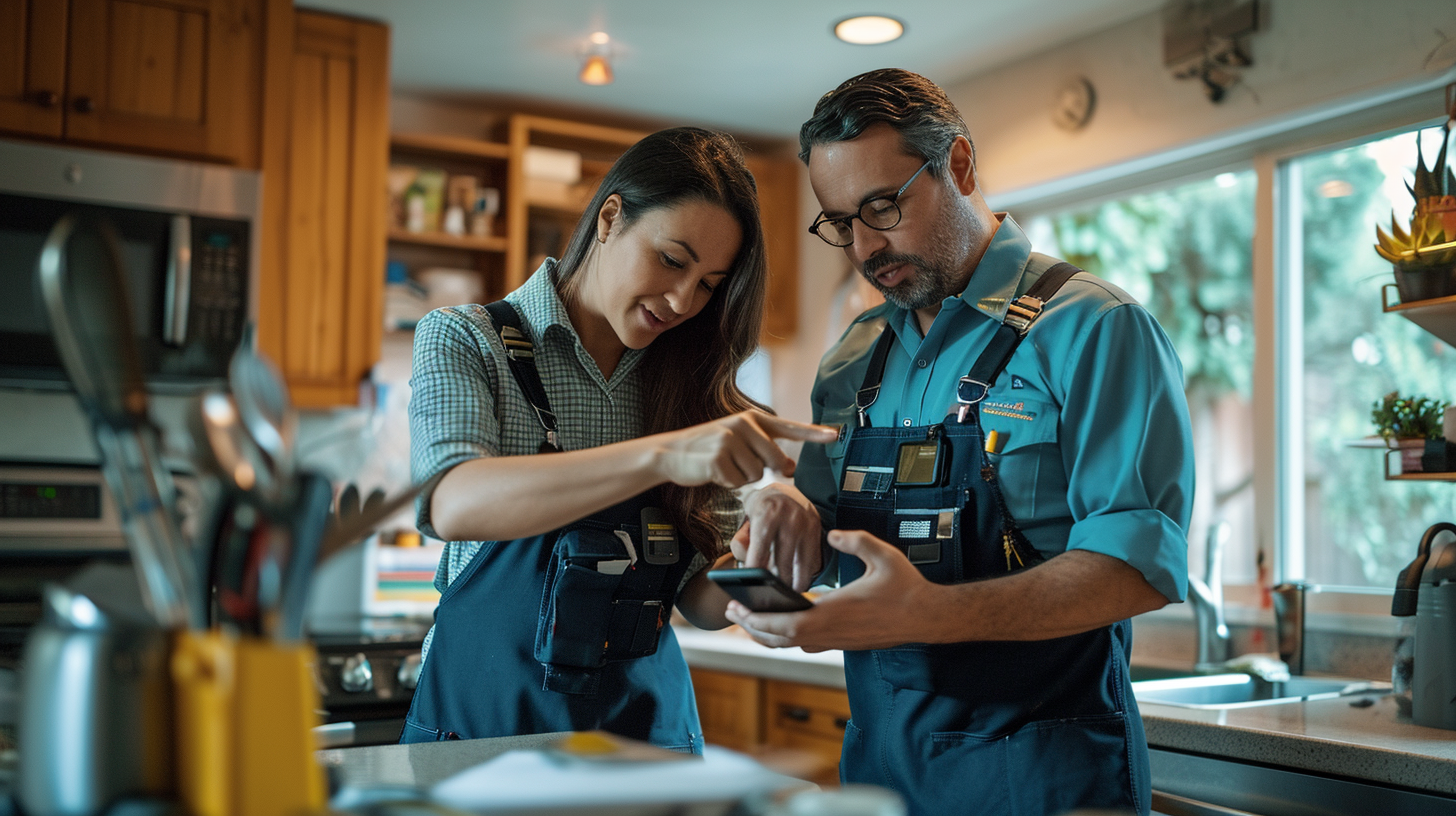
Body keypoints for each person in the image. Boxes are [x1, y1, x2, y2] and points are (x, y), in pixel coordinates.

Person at [724, 69, 1195, 816]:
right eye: (841, 221)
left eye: (883, 206)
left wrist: (926, 615)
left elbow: (1136, 569)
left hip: (1044, 773)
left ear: (961, 166)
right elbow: (824, 535)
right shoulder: (854, 356)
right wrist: (785, 510)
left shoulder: (1095, 328)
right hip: (883, 766)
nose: (865, 246)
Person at [401, 126, 838, 751]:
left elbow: (698, 602)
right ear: (610, 218)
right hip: (480, 733)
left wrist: (759, 558)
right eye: (671, 259)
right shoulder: (467, 339)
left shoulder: (692, 384)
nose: (684, 299)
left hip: (643, 743)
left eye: (710, 283)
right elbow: (454, 503)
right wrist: (664, 454)